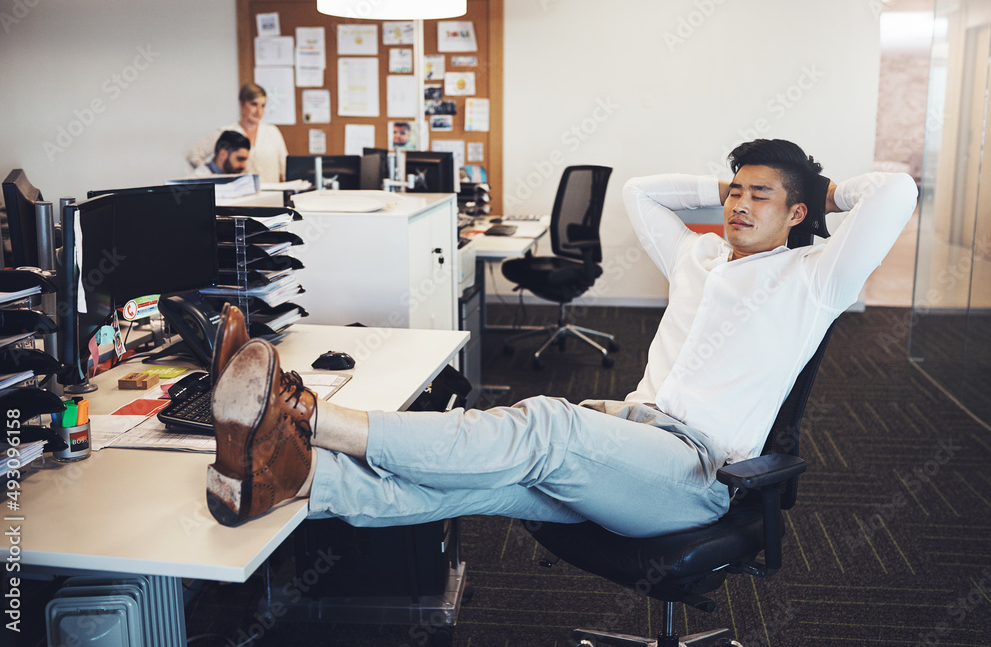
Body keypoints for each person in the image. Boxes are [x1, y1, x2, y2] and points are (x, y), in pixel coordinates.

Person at [203, 139, 918, 535]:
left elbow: (895, 192)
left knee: (542, 424)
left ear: (794, 214)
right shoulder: (698, 258)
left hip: (695, 476)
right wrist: (733, 181)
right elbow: (641, 189)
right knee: (495, 478)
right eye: (733, 191)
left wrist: (814, 189)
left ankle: (309, 419)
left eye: (759, 195)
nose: (737, 203)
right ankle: (300, 480)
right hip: (631, 433)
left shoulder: (814, 278)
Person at [187, 83, 288, 182]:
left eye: (263, 106)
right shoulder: (227, 133)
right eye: (254, 104)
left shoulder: (272, 132)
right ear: (241, 103)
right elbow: (193, 154)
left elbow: (285, 168)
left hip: (272, 194)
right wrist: (213, 176)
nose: (259, 110)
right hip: (240, 194)